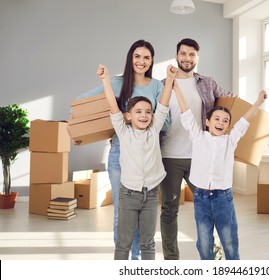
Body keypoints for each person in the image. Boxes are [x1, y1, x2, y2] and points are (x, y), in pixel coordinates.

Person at [72, 40, 169, 260]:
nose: (141, 61)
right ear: (130, 58)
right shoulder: (117, 83)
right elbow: (83, 102)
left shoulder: (156, 86)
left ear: (152, 61)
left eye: (146, 57)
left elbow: (166, 121)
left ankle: (139, 261)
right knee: (122, 214)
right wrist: (82, 133)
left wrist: (146, 125)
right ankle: (129, 262)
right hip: (119, 153)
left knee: (144, 216)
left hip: (148, 154)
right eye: (137, 56)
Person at [172, 79, 267, 259]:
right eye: (216, 119)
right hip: (201, 198)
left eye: (225, 121)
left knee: (229, 242)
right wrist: (176, 89)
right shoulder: (198, 137)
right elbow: (186, 113)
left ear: (228, 126)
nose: (220, 123)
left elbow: (244, 121)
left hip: (223, 198)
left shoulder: (230, 141)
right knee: (204, 243)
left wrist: (259, 101)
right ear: (207, 122)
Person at [159, 38, 236, 260]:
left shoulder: (207, 83)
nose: (187, 58)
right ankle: (171, 259)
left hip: (200, 156)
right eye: (183, 54)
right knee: (169, 209)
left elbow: (228, 102)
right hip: (169, 155)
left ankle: (214, 257)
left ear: (197, 58)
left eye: (192, 55)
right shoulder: (163, 84)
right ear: (176, 55)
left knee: (210, 208)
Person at [97, 63, 176, 260]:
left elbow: (164, 105)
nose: (144, 115)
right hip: (128, 194)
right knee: (123, 244)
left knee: (148, 243)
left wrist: (170, 79)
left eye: (148, 111)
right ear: (129, 116)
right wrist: (106, 80)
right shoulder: (123, 132)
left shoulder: (154, 130)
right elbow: (113, 107)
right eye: (138, 112)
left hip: (149, 195)